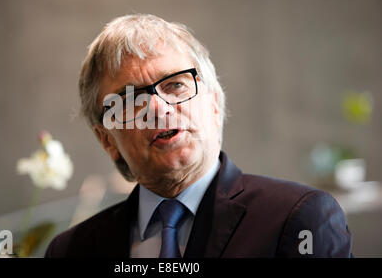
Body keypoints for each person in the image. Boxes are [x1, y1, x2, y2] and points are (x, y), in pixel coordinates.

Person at [45, 14, 352, 258]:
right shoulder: (69, 251)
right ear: (107, 140)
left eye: (175, 85)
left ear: (215, 103)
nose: (158, 108)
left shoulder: (299, 220)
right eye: (129, 100)